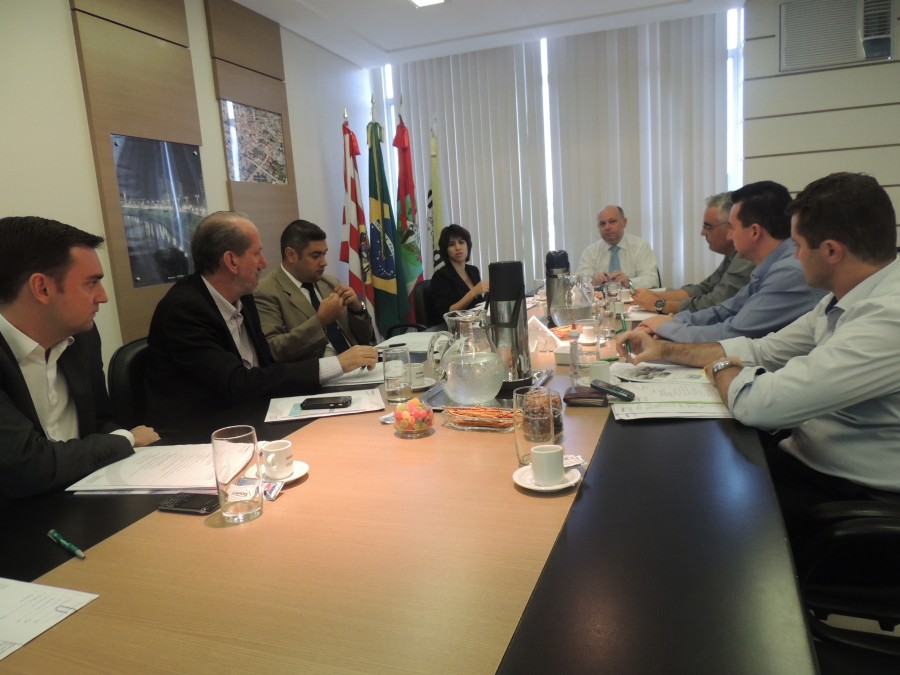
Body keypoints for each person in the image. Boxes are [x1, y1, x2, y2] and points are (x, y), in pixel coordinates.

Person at [617, 172, 900, 526]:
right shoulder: (840, 299)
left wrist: (721, 366)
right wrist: (664, 352)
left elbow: (761, 404)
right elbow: (763, 350)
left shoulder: (888, 318)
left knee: (684, 502)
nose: (794, 256)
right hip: (808, 461)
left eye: (798, 245)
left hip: (847, 494)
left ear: (831, 251)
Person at [0, 216, 159, 501]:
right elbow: (26, 465)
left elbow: (99, 421)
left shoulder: (81, 336)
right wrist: (127, 438)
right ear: (42, 288)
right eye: (91, 283)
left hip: (82, 494)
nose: (103, 297)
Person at [146, 211, 339, 436]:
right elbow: (237, 384)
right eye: (257, 253)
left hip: (252, 416)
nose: (264, 263)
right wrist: (335, 365)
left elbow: (266, 367)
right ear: (231, 261)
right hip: (203, 433)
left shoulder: (244, 297)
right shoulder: (184, 310)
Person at [639, 181, 826, 342]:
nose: (729, 236)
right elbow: (724, 310)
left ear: (754, 232)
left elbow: (732, 333)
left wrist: (667, 327)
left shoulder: (787, 272)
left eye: (732, 228)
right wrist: (674, 322)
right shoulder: (768, 265)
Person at [255, 220, 376, 375]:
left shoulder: (330, 283)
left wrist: (357, 309)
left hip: (358, 369)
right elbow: (273, 350)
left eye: (324, 254)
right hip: (317, 377)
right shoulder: (266, 291)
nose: (324, 263)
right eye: (315, 256)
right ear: (291, 255)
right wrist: (320, 321)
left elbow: (365, 338)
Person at [631, 192, 754, 314]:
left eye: (708, 227)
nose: (702, 233)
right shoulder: (732, 255)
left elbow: (714, 303)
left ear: (730, 227)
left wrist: (658, 304)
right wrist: (653, 296)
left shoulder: (746, 258)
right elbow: (704, 288)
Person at [575, 205, 659, 288]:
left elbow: (652, 280)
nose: (607, 227)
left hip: (634, 296)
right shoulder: (590, 252)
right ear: (598, 227)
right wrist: (593, 281)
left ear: (624, 222)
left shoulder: (640, 247)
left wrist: (629, 282)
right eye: (602, 223)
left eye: (612, 221)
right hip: (600, 297)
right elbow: (578, 282)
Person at [430, 224, 489, 319]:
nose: (458, 247)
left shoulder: (473, 270)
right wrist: (473, 292)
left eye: (461, 242)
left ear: (467, 245)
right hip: (453, 326)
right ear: (446, 250)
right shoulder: (440, 276)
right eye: (451, 244)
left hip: (475, 323)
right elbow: (447, 313)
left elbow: (478, 305)